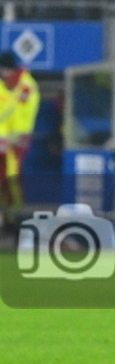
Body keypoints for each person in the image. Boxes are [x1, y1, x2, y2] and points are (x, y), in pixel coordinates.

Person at [0, 51, 40, 231]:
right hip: (3, 139)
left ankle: (16, 218)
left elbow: (25, 117)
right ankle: (7, 217)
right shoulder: (3, 84)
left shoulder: (26, 87)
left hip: (16, 142)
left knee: (12, 178)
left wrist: (14, 138)